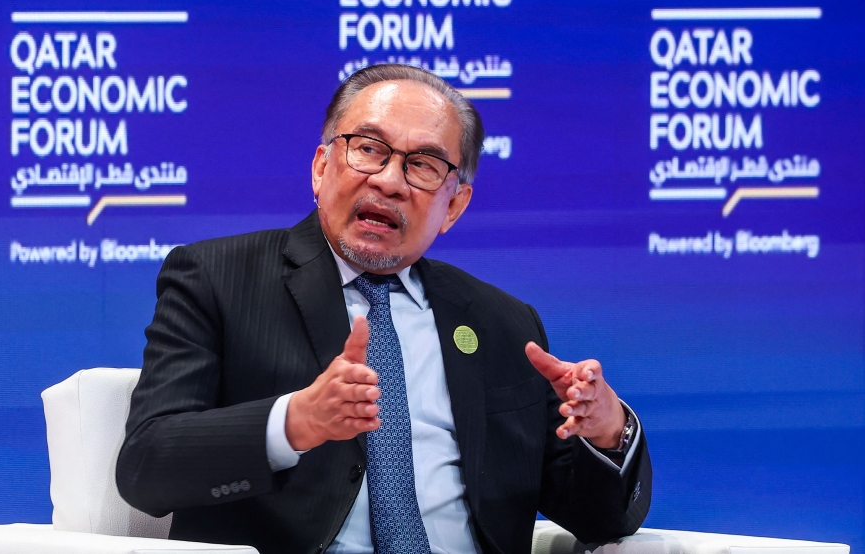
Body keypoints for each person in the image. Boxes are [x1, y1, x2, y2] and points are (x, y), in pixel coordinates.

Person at [116, 64, 651, 554]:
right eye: (368, 149)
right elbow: (146, 467)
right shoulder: (217, 278)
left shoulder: (503, 322)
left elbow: (599, 521)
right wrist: (295, 422)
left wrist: (608, 432)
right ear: (321, 167)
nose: (390, 181)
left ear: (454, 206)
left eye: (422, 165)